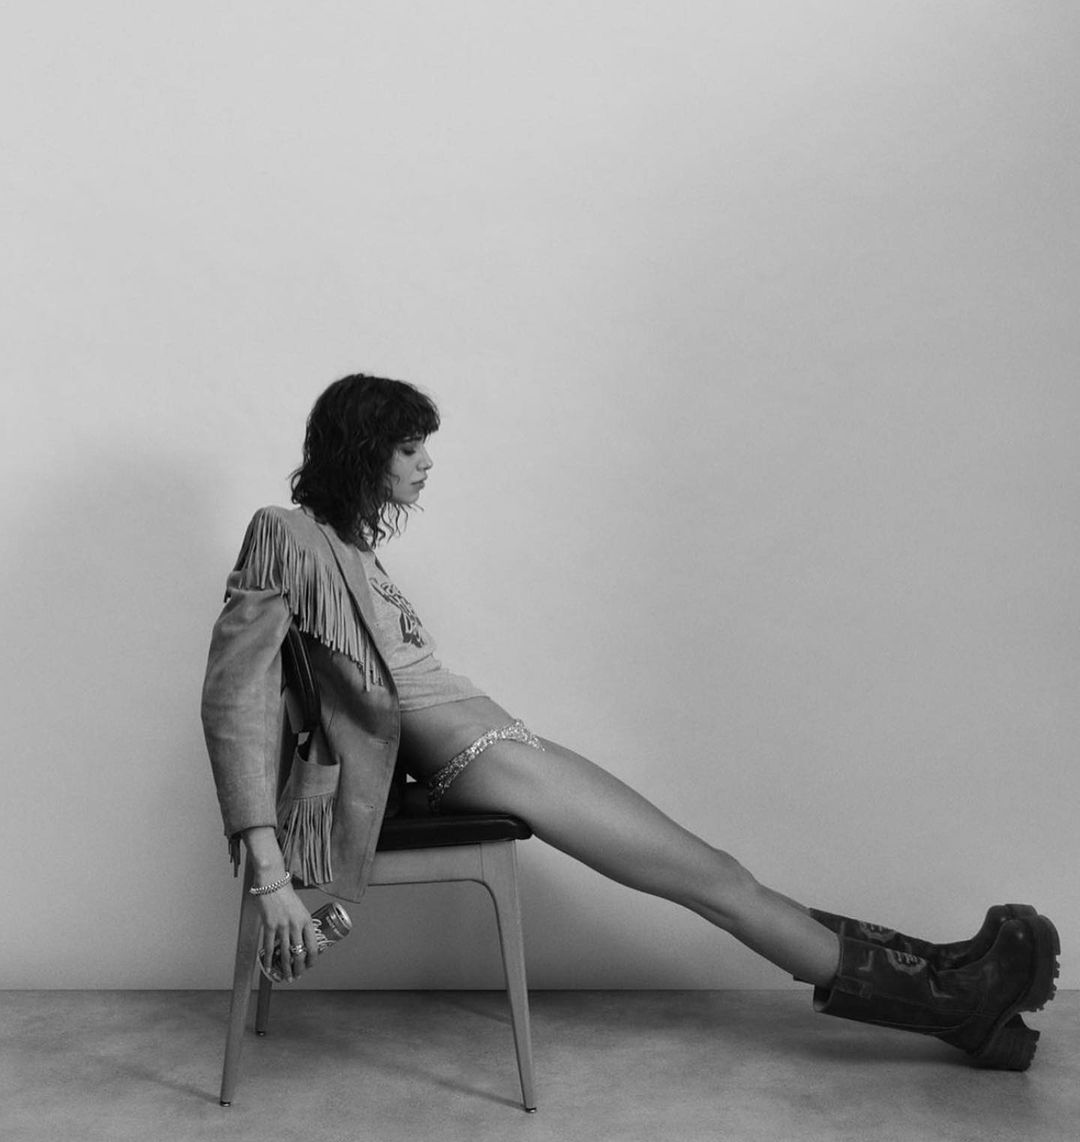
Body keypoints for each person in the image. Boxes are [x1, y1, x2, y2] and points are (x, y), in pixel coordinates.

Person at [202, 373, 1059, 1072]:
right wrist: (269, 870)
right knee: (713, 883)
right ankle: (957, 1005)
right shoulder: (286, 535)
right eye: (408, 446)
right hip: (482, 764)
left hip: (501, 747)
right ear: (362, 450)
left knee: (721, 873)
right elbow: (233, 697)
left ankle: (946, 975)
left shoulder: (354, 548)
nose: (427, 462)